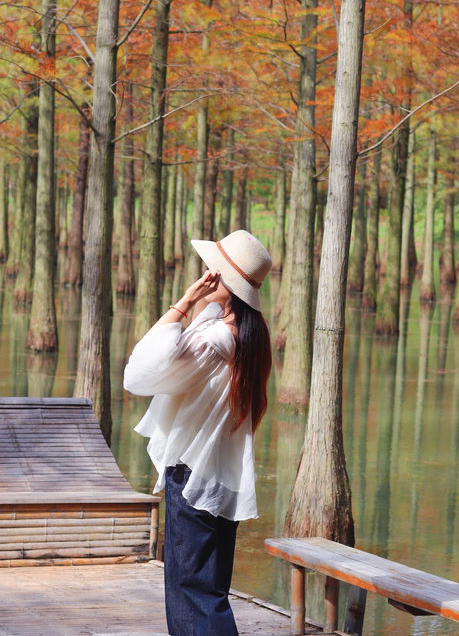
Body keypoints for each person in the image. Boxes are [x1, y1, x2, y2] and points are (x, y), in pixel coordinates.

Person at [123, 229, 273, 636]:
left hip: (194, 477)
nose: (206, 273)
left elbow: (137, 374)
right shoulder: (247, 334)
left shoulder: (215, 339)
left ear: (227, 283)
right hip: (218, 479)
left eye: (214, 270)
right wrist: (199, 306)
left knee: (192, 597)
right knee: (208, 593)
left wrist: (184, 302)